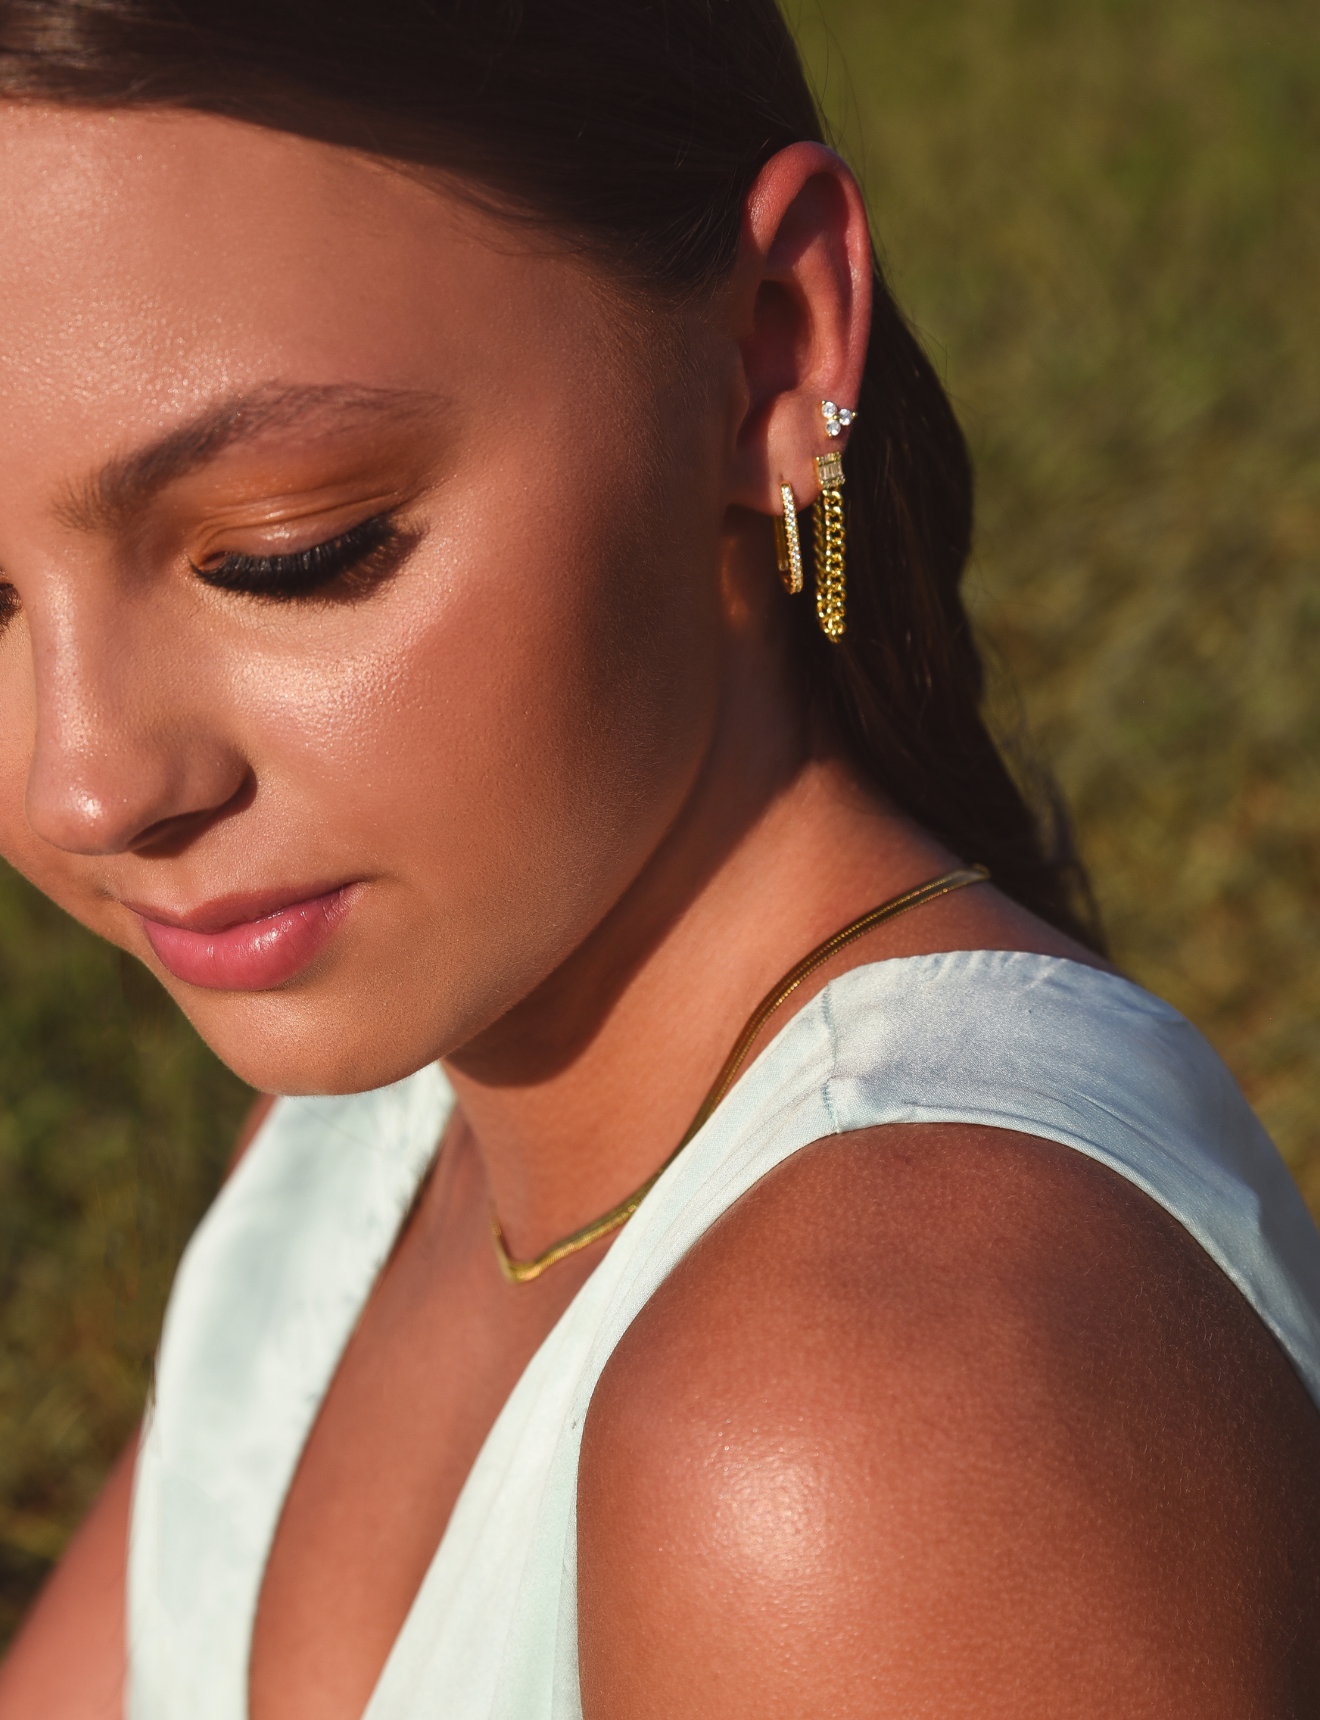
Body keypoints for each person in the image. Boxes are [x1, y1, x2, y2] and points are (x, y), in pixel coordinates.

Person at [0, 1, 1317, 1715]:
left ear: (772, 349)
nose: (84, 785)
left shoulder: (872, 1417)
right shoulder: (382, 1128)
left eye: (290, 549)